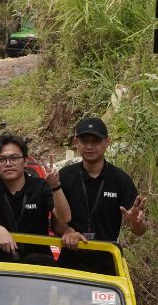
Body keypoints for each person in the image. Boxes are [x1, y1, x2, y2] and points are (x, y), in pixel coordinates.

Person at [54, 116, 147, 275]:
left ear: (107, 142)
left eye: (95, 141)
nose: (89, 146)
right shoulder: (64, 177)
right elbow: (54, 221)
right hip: (71, 261)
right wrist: (67, 231)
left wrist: (135, 221)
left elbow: (139, 230)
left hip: (107, 263)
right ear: (77, 143)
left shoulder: (121, 180)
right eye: (84, 141)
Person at [0, 133, 73, 265]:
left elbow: (65, 218)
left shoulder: (40, 186)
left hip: (39, 264)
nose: (8, 164)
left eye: (14, 158)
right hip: (0, 265)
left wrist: (55, 186)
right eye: (1, 159)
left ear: (26, 161)